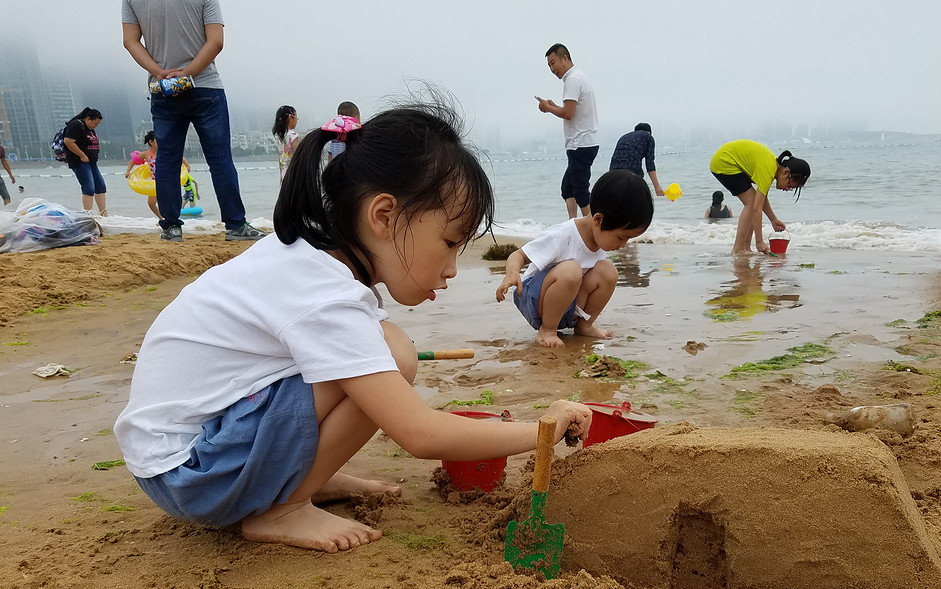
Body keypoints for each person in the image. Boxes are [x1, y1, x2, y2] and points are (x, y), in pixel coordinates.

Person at [112, 100, 592, 553]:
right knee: (393, 360)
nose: (451, 268)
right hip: (194, 475)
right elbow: (420, 434)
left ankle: (304, 478)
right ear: (383, 215)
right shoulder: (325, 295)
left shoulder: (307, 258)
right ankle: (283, 508)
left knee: (387, 348)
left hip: (179, 457)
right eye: (448, 243)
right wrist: (544, 428)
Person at [121, 0, 265, 243]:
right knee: (220, 159)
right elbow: (216, 41)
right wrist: (187, 73)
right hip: (205, 85)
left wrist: (159, 72)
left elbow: (130, 41)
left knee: (167, 159)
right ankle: (235, 225)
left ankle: (171, 227)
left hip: (163, 87)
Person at [495, 170, 653, 348]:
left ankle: (584, 326)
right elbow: (519, 255)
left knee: (608, 271)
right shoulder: (562, 235)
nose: (623, 245)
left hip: (565, 305)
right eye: (621, 237)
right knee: (571, 270)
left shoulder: (599, 240)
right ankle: (547, 330)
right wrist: (512, 274)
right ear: (598, 220)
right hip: (533, 299)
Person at [709, 140, 810, 255]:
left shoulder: (772, 168)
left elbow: (761, 201)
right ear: (786, 172)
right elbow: (756, 208)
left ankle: (745, 247)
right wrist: (759, 241)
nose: (788, 189)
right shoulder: (768, 169)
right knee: (751, 204)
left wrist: (773, 219)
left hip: (729, 160)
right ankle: (738, 249)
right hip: (724, 162)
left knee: (753, 202)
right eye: (790, 185)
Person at [536, 43, 599, 219]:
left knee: (580, 191)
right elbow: (571, 111)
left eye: (553, 62)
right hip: (581, 143)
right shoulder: (578, 77)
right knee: (568, 188)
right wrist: (554, 106)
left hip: (582, 144)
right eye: (549, 65)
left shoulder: (572, 79)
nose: (552, 68)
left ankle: (594, 229)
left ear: (565, 57)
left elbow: (568, 114)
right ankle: (572, 225)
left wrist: (548, 109)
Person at [124, 131, 192, 219]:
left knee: (168, 201)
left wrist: (187, 166)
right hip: (155, 183)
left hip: (167, 181)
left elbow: (179, 157)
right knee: (151, 203)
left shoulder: (165, 151)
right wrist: (128, 171)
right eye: (158, 140)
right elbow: (133, 161)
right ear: (151, 142)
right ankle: (162, 218)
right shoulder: (146, 154)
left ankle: (171, 219)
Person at [62, 108, 108, 217]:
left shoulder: (89, 128)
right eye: (95, 123)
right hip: (79, 161)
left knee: (100, 186)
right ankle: (88, 214)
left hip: (91, 161)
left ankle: (103, 213)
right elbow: (68, 141)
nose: (96, 126)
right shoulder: (76, 125)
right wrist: (82, 155)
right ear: (88, 119)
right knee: (88, 187)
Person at [609, 123, 665, 197]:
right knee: (637, 199)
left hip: (612, 172)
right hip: (632, 171)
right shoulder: (648, 137)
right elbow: (650, 163)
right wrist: (657, 187)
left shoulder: (624, 137)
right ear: (649, 132)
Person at [272, 105, 300, 181]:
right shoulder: (293, 135)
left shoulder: (279, 136)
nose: (297, 120)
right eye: (296, 117)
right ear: (290, 118)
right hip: (293, 172)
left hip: (283, 172)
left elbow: (280, 157)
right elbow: (298, 156)